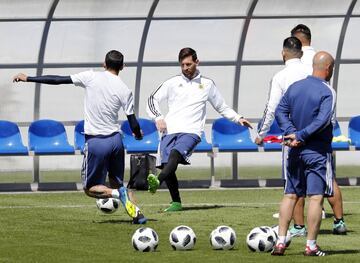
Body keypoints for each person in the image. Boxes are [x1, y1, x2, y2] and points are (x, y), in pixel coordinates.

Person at [13, 50, 147, 224]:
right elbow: (133, 122)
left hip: (96, 142)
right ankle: (137, 214)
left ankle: (116, 194)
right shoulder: (124, 89)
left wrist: (29, 78)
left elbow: (58, 80)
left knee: (90, 188)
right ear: (122, 67)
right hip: (116, 141)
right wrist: (137, 135)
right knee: (116, 181)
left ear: (103, 64)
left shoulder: (90, 77)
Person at [145, 47, 252, 212]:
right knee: (167, 164)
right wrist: (158, 117)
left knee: (175, 155)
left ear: (197, 62)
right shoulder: (172, 82)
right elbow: (152, 99)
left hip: (192, 131)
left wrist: (238, 118)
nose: (185, 68)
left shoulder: (207, 84)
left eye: (188, 64)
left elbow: (221, 106)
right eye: (182, 65)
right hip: (170, 130)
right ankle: (176, 203)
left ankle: (157, 181)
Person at [272, 51, 336, 256]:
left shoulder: (295, 87)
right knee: (316, 198)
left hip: (294, 152)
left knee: (290, 195)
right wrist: (300, 135)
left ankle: (280, 242)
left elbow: (279, 111)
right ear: (328, 69)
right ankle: (311, 245)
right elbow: (323, 121)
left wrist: (291, 132)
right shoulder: (328, 91)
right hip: (316, 152)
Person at [289, 24, 347, 236]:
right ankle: (338, 222)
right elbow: (324, 117)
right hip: (317, 136)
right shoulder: (322, 72)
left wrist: (293, 133)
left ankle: (296, 228)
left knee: (295, 188)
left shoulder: (294, 63)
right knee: (327, 181)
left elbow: (281, 107)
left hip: (298, 134)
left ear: (296, 40)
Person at [255, 36, 311, 145]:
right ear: (302, 54)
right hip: (314, 134)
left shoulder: (279, 77)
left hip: (291, 135)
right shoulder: (313, 72)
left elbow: (271, 109)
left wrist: (261, 135)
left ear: (283, 53)